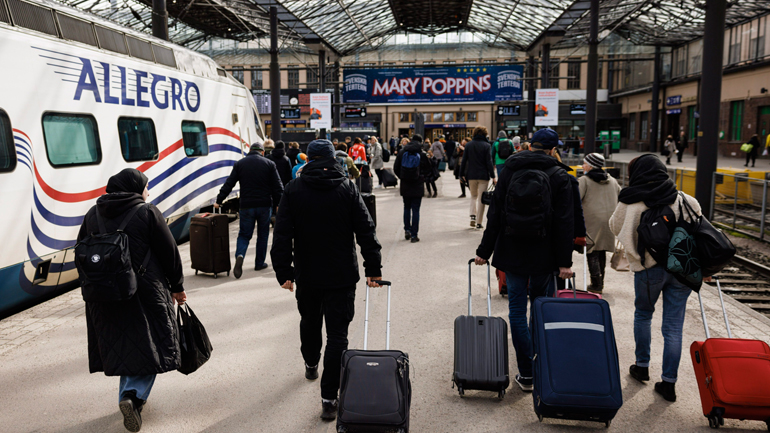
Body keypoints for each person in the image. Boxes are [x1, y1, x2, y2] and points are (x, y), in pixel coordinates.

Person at [270, 139, 383, 421]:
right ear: (334, 159)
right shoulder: (348, 188)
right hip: (342, 275)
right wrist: (373, 268)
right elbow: (366, 230)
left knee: (309, 321)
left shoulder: (293, 190)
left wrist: (283, 271)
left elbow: (282, 234)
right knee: (338, 337)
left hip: (307, 274)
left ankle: (310, 362)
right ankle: (329, 399)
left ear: (309, 159)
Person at [77, 169, 187, 433]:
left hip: (104, 294)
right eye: (146, 186)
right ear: (136, 187)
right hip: (144, 291)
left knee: (125, 343)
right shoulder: (147, 212)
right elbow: (169, 251)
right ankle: (133, 397)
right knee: (152, 345)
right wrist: (178, 287)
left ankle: (128, 399)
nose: (148, 191)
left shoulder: (93, 213)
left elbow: (81, 249)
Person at [474, 128, 574, 392]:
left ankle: (526, 373)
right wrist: (565, 261)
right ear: (553, 150)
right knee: (540, 309)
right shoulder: (560, 175)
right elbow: (565, 222)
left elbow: (495, 213)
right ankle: (541, 364)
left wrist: (484, 251)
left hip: (513, 251)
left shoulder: (509, 169)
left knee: (517, 312)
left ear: (530, 146)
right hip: (545, 255)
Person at [609, 154, 702, 402]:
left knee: (643, 314)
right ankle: (669, 383)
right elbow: (700, 227)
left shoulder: (631, 201)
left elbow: (614, 226)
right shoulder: (685, 200)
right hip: (682, 270)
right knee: (673, 326)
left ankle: (642, 366)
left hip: (648, 270)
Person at [215, 141, 284, 278]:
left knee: (244, 235)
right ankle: (259, 263)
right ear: (262, 152)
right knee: (263, 235)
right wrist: (280, 204)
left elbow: (229, 183)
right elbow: (278, 187)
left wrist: (219, 200)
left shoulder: (240, 164)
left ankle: (240, 255)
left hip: (246, 205)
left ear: (249, 151)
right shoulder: (269, 164)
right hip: (264, 205)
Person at [578, 153, 621, 294]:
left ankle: (596, 284)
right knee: (601, 251)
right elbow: (621, 196)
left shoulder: (584, 180)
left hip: (591, 221)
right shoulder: (612, 180)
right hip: (609, 220)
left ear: (590, 165)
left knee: (591, 250)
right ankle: (600, 281)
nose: (583, 166)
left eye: (584, 163)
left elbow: (576, 199)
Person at [394, 134, 432, 242]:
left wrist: (402, 177)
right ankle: (414, 235)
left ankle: (407, 229)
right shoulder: (422, 153)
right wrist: (421, 177)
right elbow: (428, 169)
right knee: (416, 209)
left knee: (406, 207)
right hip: (417, 184)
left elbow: (396, 168)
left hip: (405, 184)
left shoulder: (402, 152)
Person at [460, 126, 496, 230]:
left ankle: (472, 216)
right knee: (481, 199)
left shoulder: (469, 145)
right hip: (483, 176)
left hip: (471, 175)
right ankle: (479, 223)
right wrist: (493, 176)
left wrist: (461, 174)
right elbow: (489, 162)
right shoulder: (486, 145)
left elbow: (464, 160)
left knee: (473, 196)